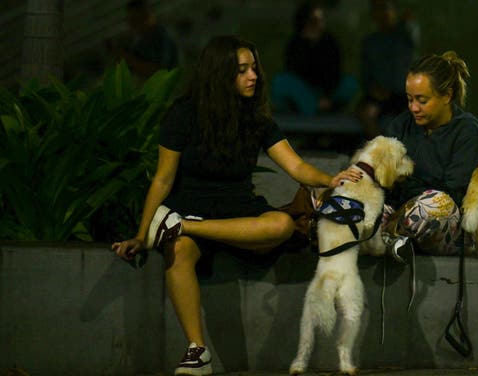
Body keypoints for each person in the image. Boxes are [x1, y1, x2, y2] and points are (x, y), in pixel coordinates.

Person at [111, 35, 361, 375]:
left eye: (254, 69)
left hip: (235, 212)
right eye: (242, 70)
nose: (253, 76)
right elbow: (163, 179)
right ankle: (197, 351)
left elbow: (297, 167)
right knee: (179, 250)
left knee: (282, 225)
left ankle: (182, 226)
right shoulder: (184, 114)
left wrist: (329, 179)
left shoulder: (256, 119)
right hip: (190, 205)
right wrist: (141, 237)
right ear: (219, 73)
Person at [381, 51, 478, 258]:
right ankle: (393, 241)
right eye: (409, 100)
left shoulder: (466, 131)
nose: (413, 108)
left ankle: (387, 237)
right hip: (398, 211)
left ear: (446, 95)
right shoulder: (401, 125)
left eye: (422, 100)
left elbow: (453, 193)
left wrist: (408, 192)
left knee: (434, 204)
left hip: (443, 221)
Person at [271, 1, 358, 115]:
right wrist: (306, 44)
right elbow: (293, 71)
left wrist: (326, 95)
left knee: (350, 83)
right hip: (304, 90)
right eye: (313, 20)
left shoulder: (330, 42)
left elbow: (335, 71)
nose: (318, 25)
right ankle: (312, 107)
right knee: (280, 82)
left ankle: (325, 106)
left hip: (328, 90)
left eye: (320, 20)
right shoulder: (295, 43)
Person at [357, 0, 419, 138]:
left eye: (385, 8)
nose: (382, 14)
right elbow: (365, 75)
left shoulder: (405, 36)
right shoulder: (370, 42)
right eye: (378, 9)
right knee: (366, 113)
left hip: (404, 95)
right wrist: (372, 89)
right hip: (380, 96)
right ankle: (383, 148)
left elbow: (414, 37)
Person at [106, 0, 179, 79]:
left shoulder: (160, 36)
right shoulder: (141, 39)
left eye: (134, 20)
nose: (130, 24)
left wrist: (127, 58)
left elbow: (157, 72)